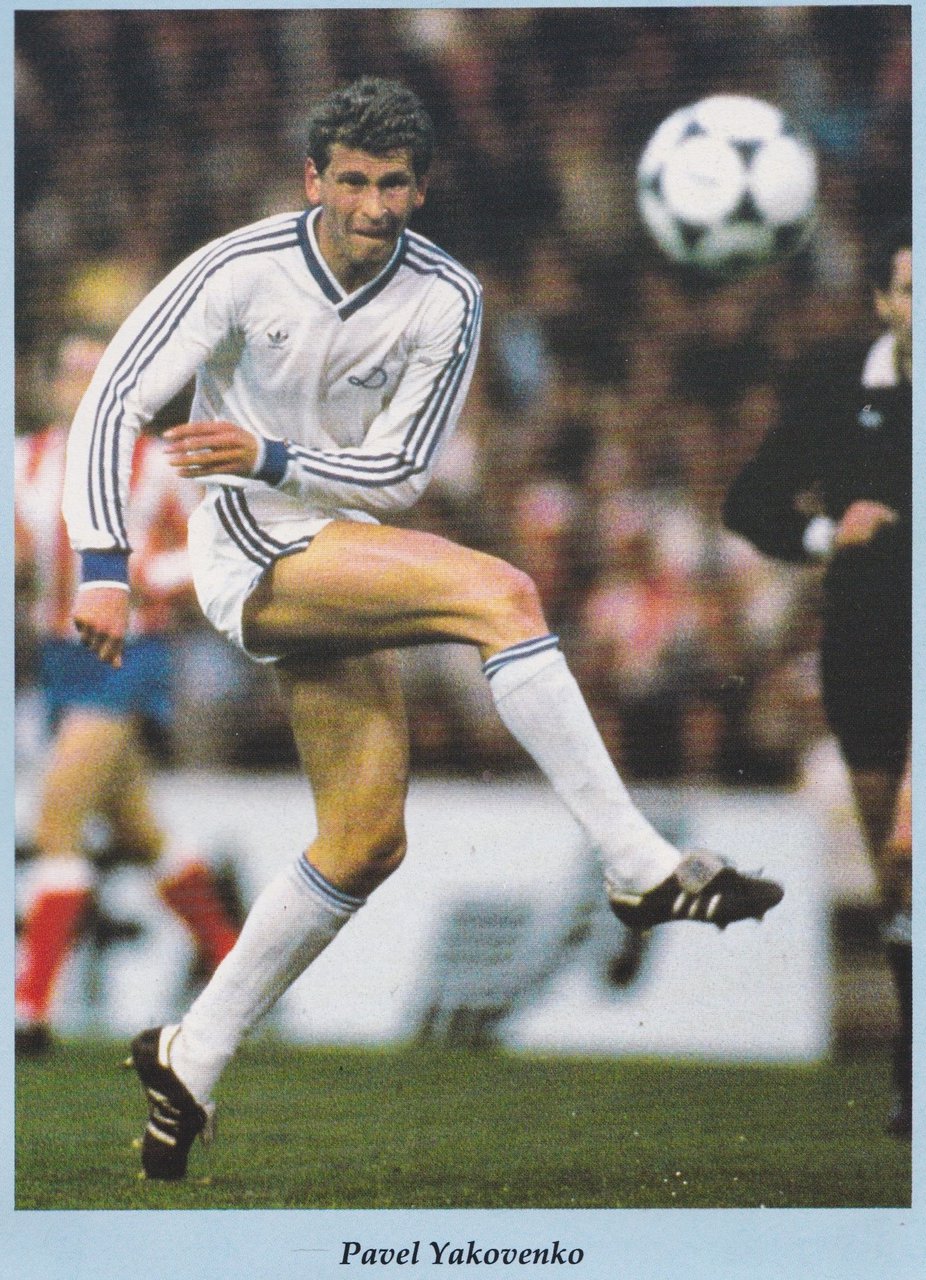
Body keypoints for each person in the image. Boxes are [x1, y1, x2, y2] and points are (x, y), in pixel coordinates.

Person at [62, 77, 783, 1180]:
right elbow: (111, 400)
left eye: (392, 184)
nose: (371, 205)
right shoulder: (238, 268)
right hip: (247, 543)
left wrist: (270, 453)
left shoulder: (446, 295)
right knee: (502, 594)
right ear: (313, 180)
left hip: (335, 536)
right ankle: (636, 861)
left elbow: (399, 473)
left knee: (365, 839)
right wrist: (104, 566)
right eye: (350, 180)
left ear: (421, 188)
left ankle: (189, 1052)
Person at [724, 219, 912, 1138]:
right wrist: (825, 533)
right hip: (867, 645)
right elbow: (749, 501)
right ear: (883, 302)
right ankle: (914, 1058)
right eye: (911, 291)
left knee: (912, 847)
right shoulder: (839, 387)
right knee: (895, 870)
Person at [15, 332, 240, 1056]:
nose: (81, 386)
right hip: (58, 658)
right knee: (139, 829)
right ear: (49, 384)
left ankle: (27, 1010)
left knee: (57, 817)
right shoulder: (23, 461)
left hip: (127, 654)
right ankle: (232, 963)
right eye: (70, 373)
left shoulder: (156, 465)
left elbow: (212, 546)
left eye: (95, 373)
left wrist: (147, 575)